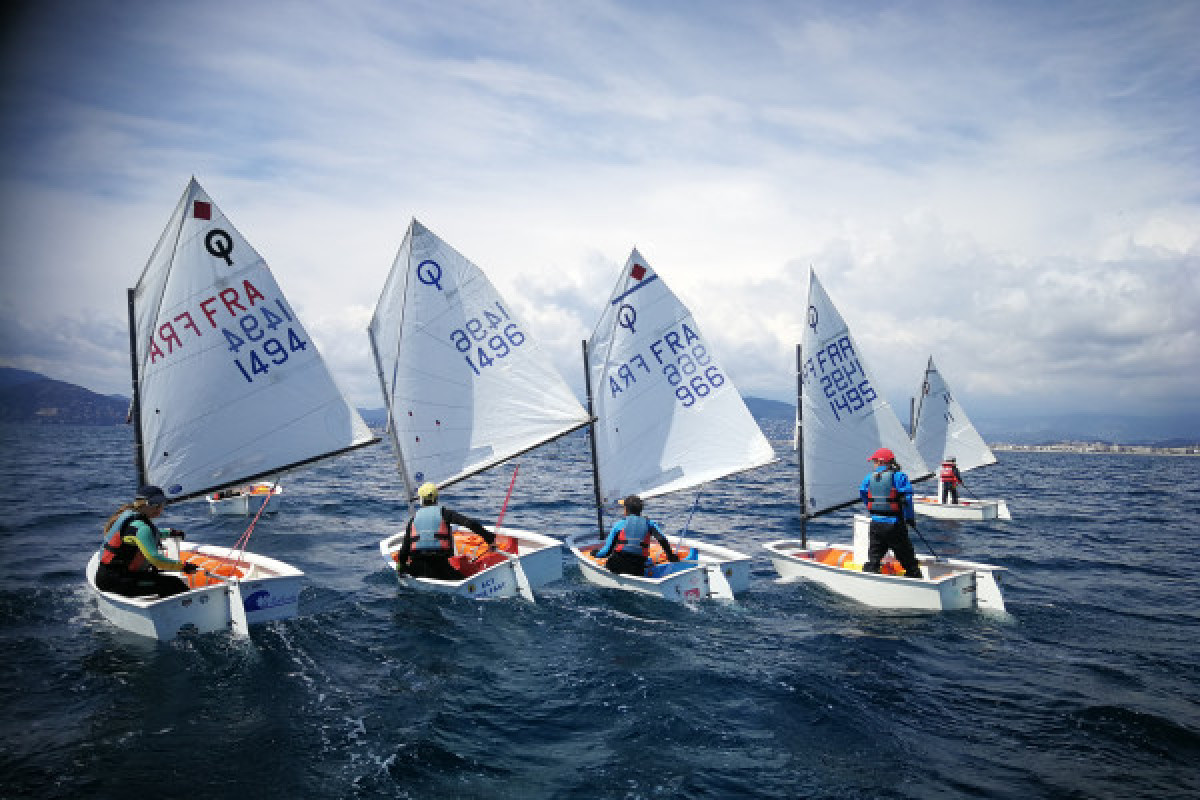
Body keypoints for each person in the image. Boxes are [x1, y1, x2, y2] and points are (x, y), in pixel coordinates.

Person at [95, 484, 197, 597]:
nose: (159, 509)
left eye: (162, 504)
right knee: (174, 584)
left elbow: (143, 536)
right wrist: (183, 566)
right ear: (142, 504)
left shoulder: (132, 519)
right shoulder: (141, 527)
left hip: (110, 577)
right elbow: (156, 560)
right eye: (155, 504)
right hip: (116, 581)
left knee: (165, 581)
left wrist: (169, 533)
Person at [394, 482, 494, 580]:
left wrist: (400, 567)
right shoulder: (444, 513)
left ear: (421, 500)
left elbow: (404, 551)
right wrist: (489, 538)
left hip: (416, 569)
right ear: (436, 498)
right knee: (463, 580)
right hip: (440, 567)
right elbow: (470, 523)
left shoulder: (413, 520)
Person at [859, 448, 922, 578]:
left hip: (876, 524)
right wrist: (909, 518)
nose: (873, 464)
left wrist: (874, 510)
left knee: (874, 557)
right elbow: (907, 499)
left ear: (880, 461)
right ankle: (914, 577)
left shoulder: (868, 478)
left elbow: (864, 495)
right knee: (906, 557)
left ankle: (871, 576)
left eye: (874, 461)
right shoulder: (899, 476)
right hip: (894, 524)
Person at [595, 494, 680, 577]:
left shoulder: (620, 524)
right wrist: (671, 556)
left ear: (626, 510)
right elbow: (662, 539)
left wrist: (596, 553)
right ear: (640, 510)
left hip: (617, 567)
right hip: (637, 569)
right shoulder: (649, 523)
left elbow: (606, 552)